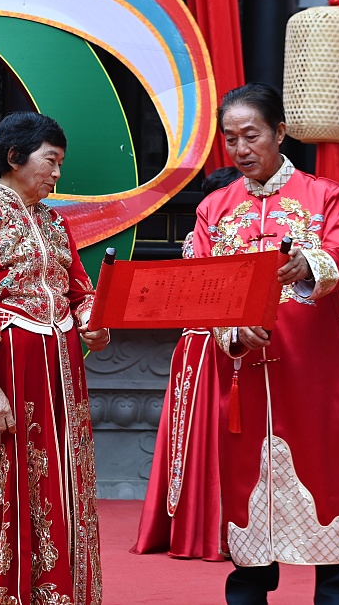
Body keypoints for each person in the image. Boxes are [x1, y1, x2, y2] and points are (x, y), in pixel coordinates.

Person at [0, 111, 110, 604]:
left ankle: (62, 590)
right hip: (9, 367)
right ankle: (2, 593)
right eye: (50, 161)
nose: (57, 174)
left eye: (59, 164)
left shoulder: (55, 221)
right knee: (7, 480)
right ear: (15, 158)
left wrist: (94, 324)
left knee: (63, 478)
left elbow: (80, 290)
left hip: (61, 371)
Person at [193, 83, 339, 604]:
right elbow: (199, 286)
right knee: (246, 495)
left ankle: (333, 593)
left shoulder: (324, 196)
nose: (241, 149)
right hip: (241, 377)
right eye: (231, 139)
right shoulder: (214, 208)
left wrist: (310, 264)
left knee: (324, 484)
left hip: (310, 373)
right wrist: (233, 331)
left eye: (252, 135)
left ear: (279, 133)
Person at [132, 166, 241, 562]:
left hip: (229, 347)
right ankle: (207, 531)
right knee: (203, 437)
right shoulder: (203, 239)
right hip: (206, 348)